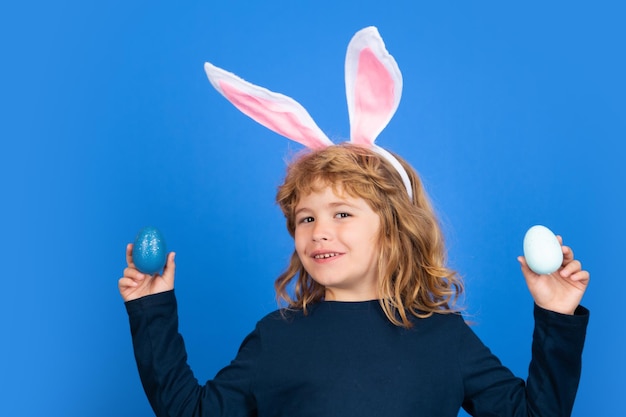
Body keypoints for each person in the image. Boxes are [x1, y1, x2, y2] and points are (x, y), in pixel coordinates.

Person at [119, 27, 589, 417]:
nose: (318, 230)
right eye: (305, 218)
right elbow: (191, 413)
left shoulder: (444, 339)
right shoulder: (276, 336)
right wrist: (152, 310)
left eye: (342, 213)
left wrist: (556, 316)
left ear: (395, 230)